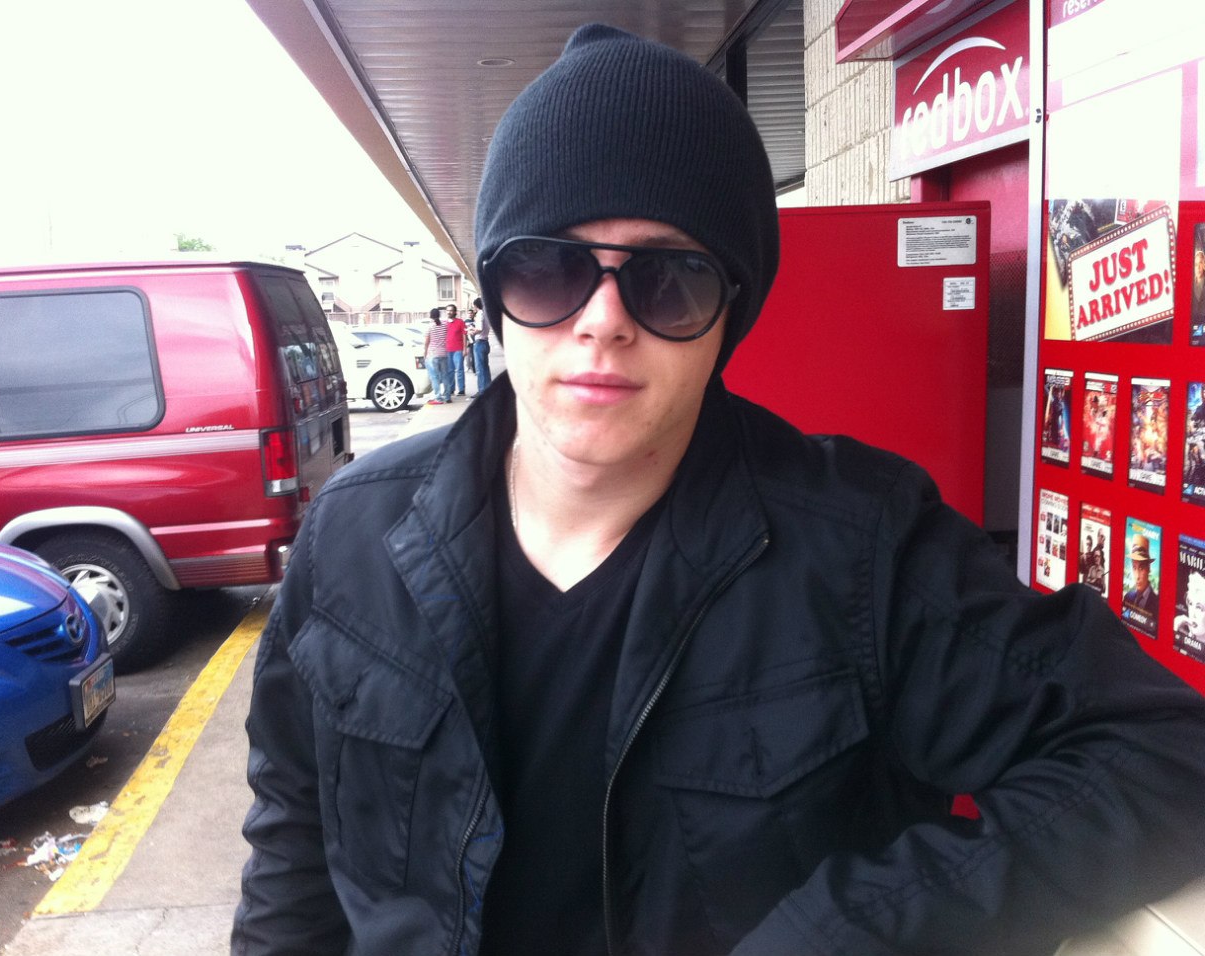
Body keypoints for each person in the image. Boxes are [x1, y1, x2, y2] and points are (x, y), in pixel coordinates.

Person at [233, 24, 1205, 956]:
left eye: (669, 280)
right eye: (547, 269)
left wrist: (849, 930)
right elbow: (293, 845)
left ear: (729, 315)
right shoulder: (352, 537)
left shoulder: (862, 551)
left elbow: (1165, 749)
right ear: (492, 297)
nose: (602, 321)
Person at [1124, 533, 1159, 611]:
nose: (1137, 577)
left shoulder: (1157, 603)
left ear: (1148, 568)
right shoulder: (1127, 597)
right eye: (1134, 568)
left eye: (1141, 568)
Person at [423, 307, 450, 404]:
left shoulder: (430, 326)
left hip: (433, 354)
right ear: (439, 314)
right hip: (444, 353)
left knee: (434, 377)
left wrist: (425, 353)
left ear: (430, 315)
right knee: (445, 375)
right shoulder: (445, 325)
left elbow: (427, 342)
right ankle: (447, 396)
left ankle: (438, 398)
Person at [470, 295, 492, 394]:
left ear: (476, 306)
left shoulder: (479, 314)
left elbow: (479, 328)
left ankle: (482, 391)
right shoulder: (486, 313)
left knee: (480, 369)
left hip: (479, 342)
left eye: (474, 306)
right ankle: (488, 389)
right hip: (485, 342)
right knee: (485, 368)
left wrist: (472, 332)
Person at [445, 302, 468, 397]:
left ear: (455, 312)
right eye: (448, 310)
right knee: (450, 370)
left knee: (459, 370)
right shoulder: (444, 323)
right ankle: (451, 389)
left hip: (458, 349)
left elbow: (464, 335)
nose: (449, 312)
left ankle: (461, 389)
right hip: (447, 350)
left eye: (451, 310)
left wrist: (465, 348)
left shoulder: (460, 322)